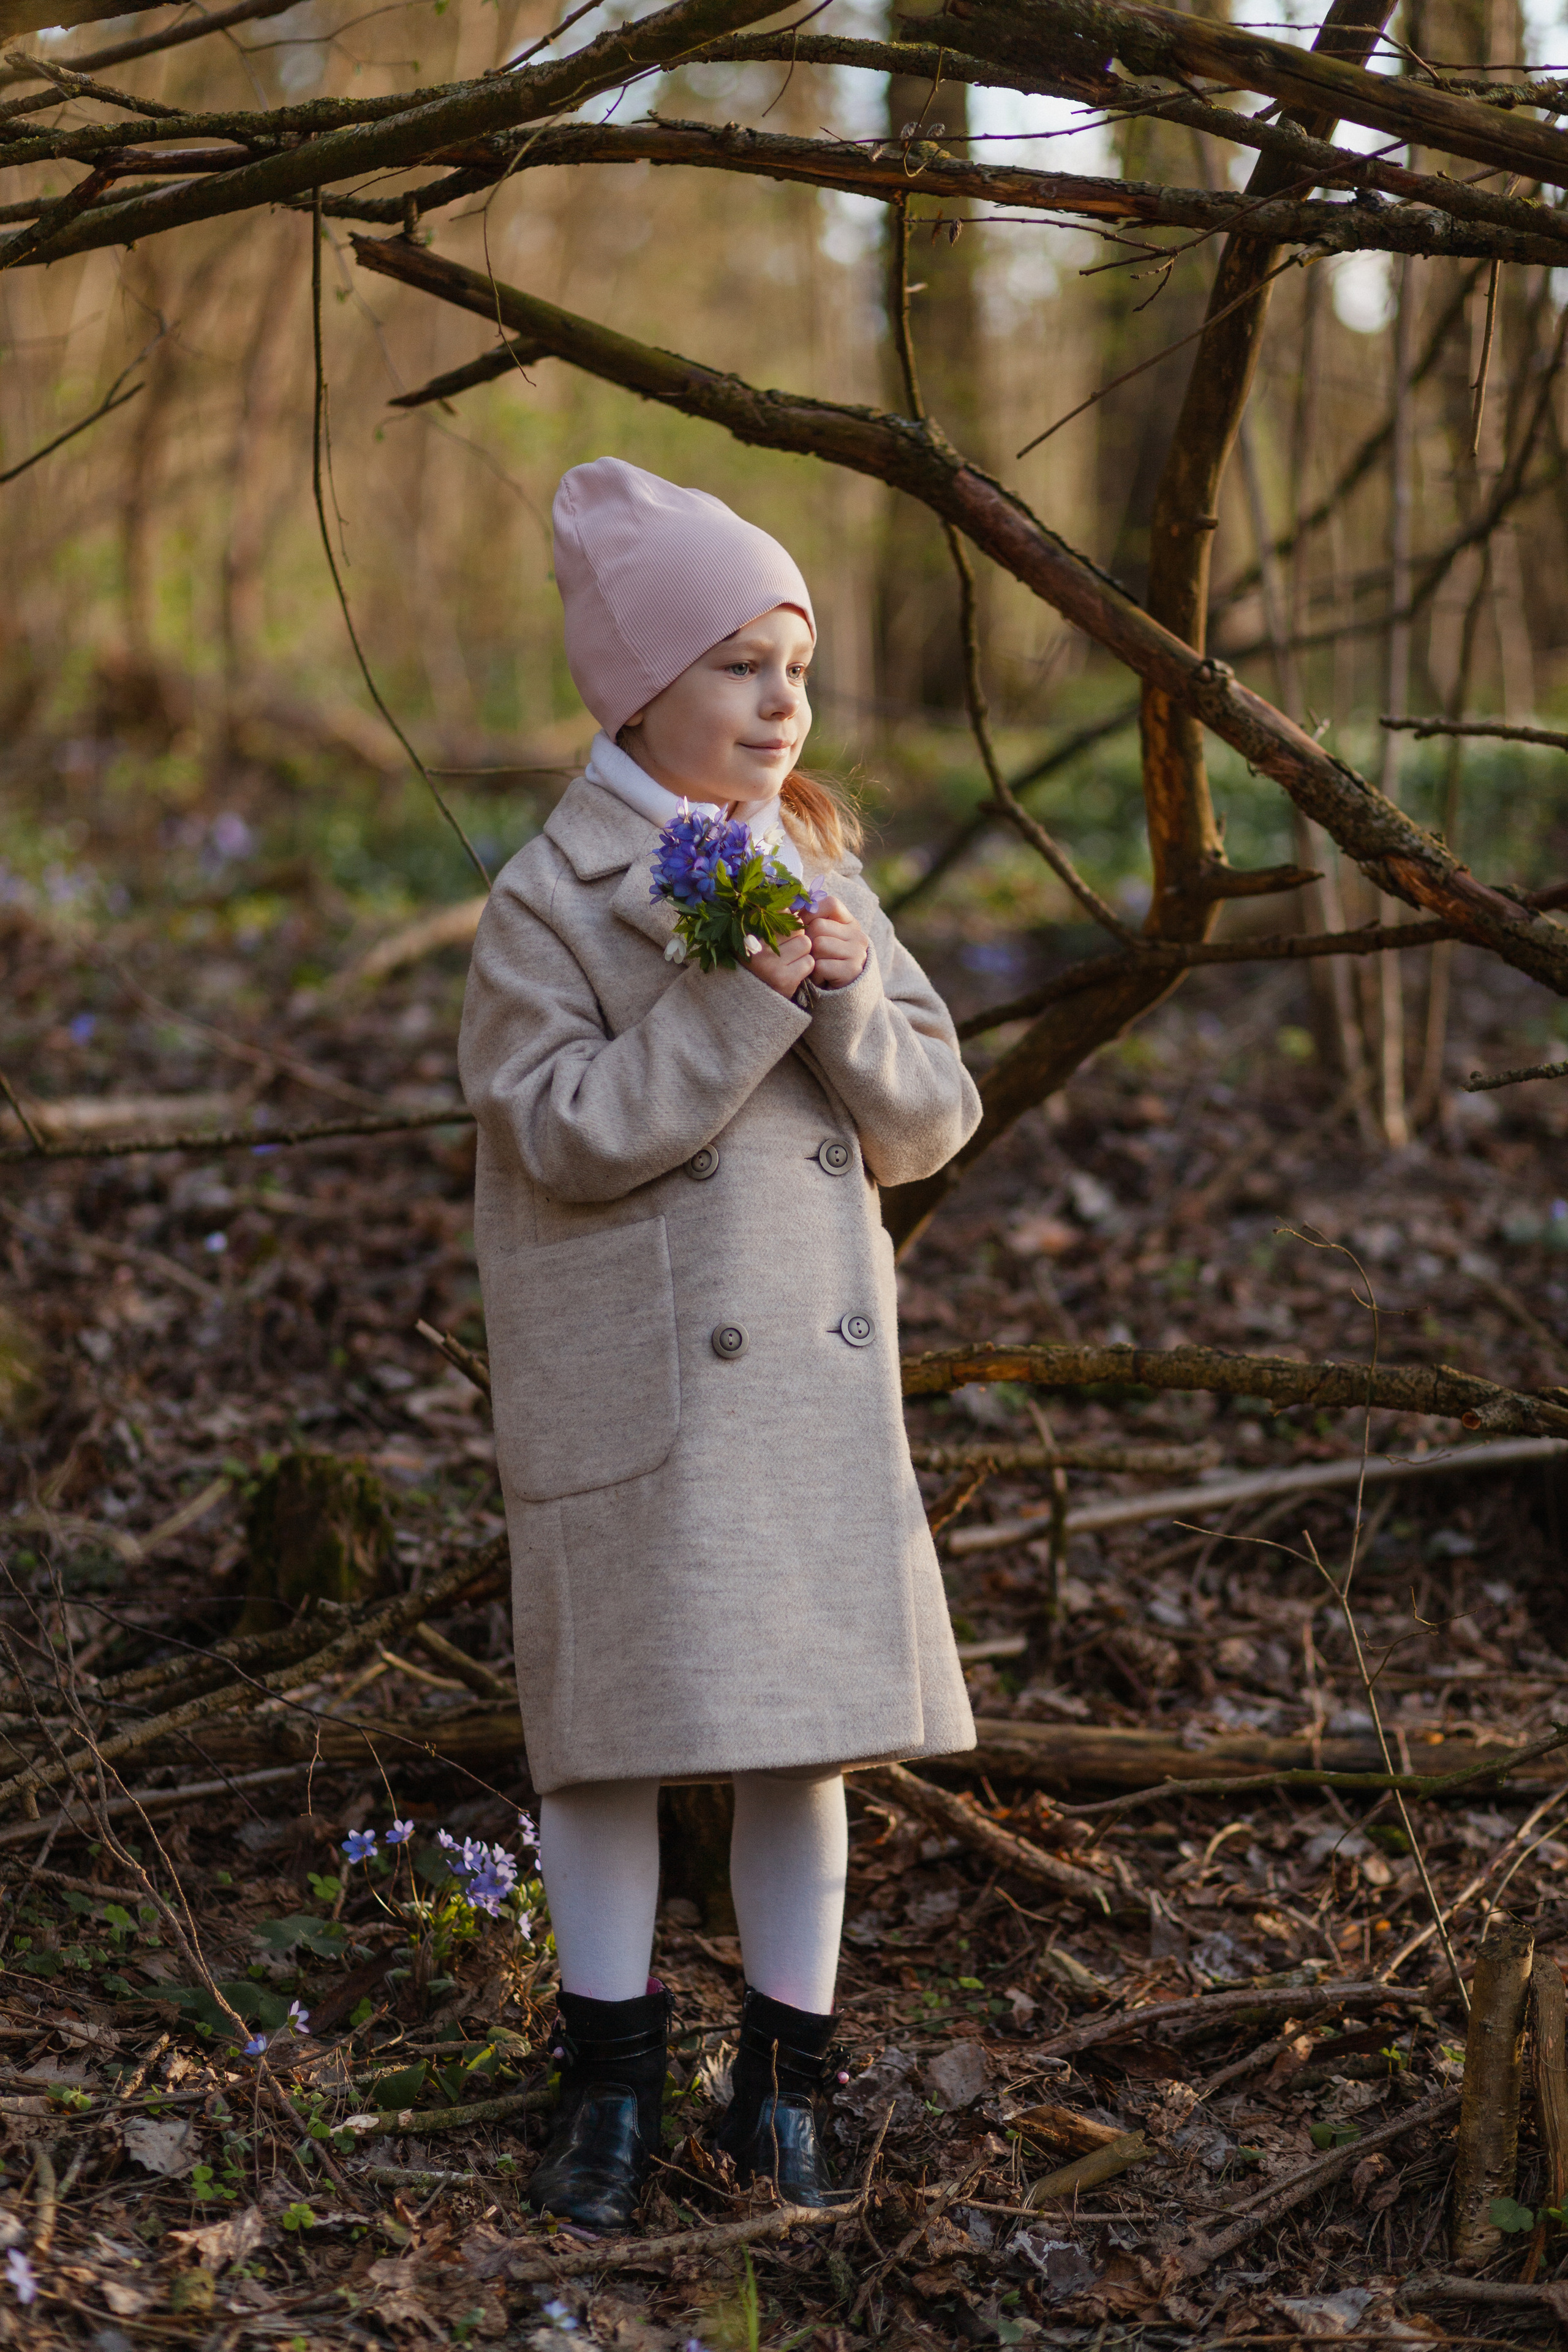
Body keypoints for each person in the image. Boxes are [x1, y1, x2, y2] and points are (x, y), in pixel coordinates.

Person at [458, 456, 982, 2228]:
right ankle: (607, 2077)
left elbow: (933, 1123)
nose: (781, 704)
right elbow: (558, 1129)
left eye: (798, 667)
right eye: (740, 666)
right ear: (639, 688)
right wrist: (733, 1009)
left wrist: (844, 996)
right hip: (637, 1382)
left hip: (805, 1402)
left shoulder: (819, 866)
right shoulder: (553, 897)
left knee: (794, 1740)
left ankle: (784, 2085)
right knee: (608, 1743)